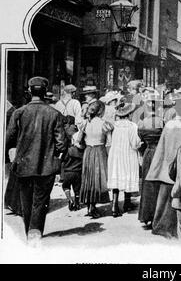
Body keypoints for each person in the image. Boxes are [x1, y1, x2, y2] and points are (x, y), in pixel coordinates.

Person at [5, 76, 67, 243]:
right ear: (45, 93)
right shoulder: (55, 114)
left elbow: (8, 139)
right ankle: (35, 232)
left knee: (26, 201)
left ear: (30, 92)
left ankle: (29, 233)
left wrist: (13, 157)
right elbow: (61, 144)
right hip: (46, 166)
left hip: (23, 165)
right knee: (40, 201)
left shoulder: (19, 112)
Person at [145, 84, 181, 238]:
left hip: (169, 169)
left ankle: (163, 226)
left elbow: (161, 149)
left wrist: (157, 169)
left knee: (166, 199)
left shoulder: (170, 125)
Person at [107, 102, 142, 217]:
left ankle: (115, 205)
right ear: (129, 114)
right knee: (128, 175)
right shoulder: (132, 126)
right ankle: (127, 202)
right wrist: (140, 144)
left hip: (116, 154)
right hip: (128, 153)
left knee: (116, 176)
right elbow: (134, 144)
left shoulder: (114, 125)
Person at [79, 100, 112, 219]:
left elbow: (78, 141)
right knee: (98, 178)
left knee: (88, 177)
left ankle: (89, 205)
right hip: (100, 151)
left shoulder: (85, 123)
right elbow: (109, 142)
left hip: (88, 151)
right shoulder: (104, 124)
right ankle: (93, 206)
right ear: (101, 111)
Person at [138, 95, 164, 226]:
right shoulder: (161, 121)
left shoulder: (142, 123)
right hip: (159, 153)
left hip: (148, 152)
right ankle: (157, 215)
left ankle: (147, 215)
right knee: (158, 183)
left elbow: (140, 137)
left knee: (147, 184)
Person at [60, 115, 84, 211]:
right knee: (77, 188)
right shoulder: (78, 150)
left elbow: (62, 159)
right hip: (78, 171)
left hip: (67, 171)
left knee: (65, 186)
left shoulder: (67, 150)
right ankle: (77, 202)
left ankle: (70, 200)